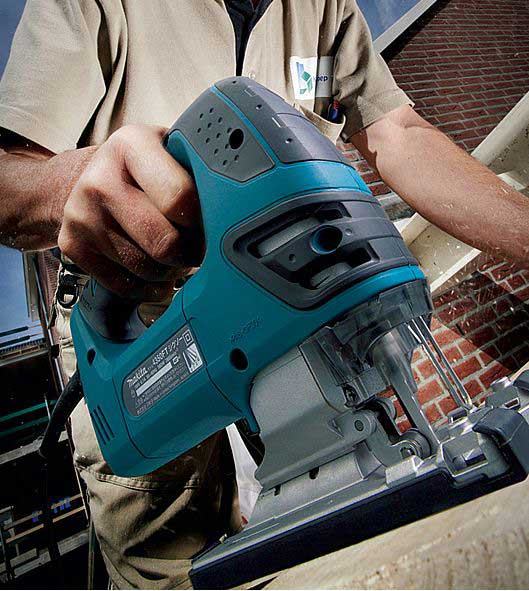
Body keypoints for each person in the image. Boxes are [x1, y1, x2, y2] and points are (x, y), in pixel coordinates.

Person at [1, 1, 528, 588]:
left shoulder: (326, 10)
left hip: (288, 303)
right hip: (138, 318)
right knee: (178, 565)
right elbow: (7, 180)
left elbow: (397, 133)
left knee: (358, 514)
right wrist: (79, 184)